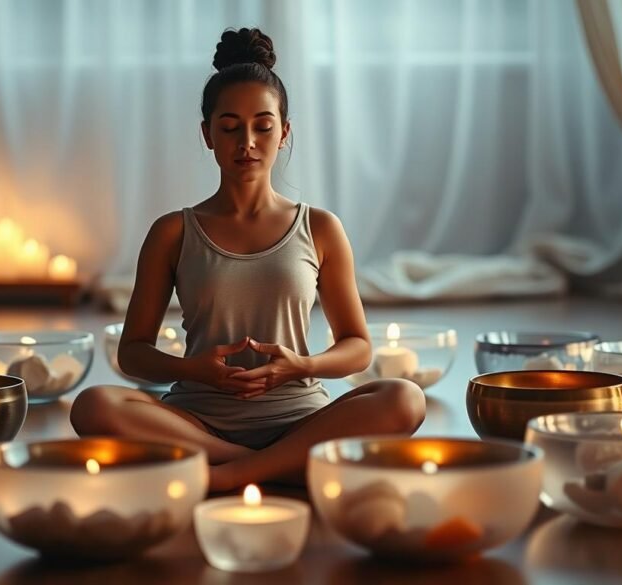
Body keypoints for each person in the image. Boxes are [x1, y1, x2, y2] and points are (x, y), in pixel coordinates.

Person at [71, 27, 425, 492]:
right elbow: (133, 353)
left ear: (284, 133)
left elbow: (357, 345)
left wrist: (301, 366)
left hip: (299, 419)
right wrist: (191, 369)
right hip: (198, 424)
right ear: (207, 134)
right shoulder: (172, 232)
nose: (247, 142)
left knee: (404, 398)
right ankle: (275, 468)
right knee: (93, 406)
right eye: (230, 126)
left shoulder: (320, 228)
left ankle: (227, 477)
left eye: (263, 125)